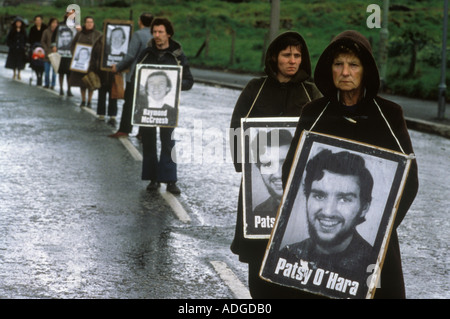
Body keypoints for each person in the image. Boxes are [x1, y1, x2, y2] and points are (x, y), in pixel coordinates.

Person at [282, 30, 419, 299]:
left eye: (353, 64)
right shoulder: (313, 113)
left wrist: (382, 228)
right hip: (315, 264)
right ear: (329, 69)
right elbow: (291, 172)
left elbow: (409, 181)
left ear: (365, 70)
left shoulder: (389, 115)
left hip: (375, 253)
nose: (345, 72)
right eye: (338, 64)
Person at [229, 31, 321, 298]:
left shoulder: (312, 92)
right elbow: (237, 129)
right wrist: (244, 166)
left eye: (297, 55)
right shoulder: (255, 89)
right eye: (286, 55)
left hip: (299, 192)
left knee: (297, 256)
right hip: (260, 190)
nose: (292, 61)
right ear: (274, 57)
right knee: (260, 260)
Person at [281, 149, 374, 286]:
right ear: (307, 199)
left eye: (344, 199)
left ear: (364, 208)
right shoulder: (287, 255)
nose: (328, 212)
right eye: (319, 196)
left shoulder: (373, 265)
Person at [137, 18, 194, 194]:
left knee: (168, 142)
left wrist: (177, 84)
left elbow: (189, 81)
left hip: (168, 108)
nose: (157, 35)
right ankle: (153, 179)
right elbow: (138, 78)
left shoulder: (177, 55)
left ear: (168, 33)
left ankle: (170, 180)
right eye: (154, 32)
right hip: (147, 107)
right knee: (148, 142)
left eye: (161, 32)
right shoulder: (146, 53)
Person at [110, 12, 153, 138]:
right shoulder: (155, 34)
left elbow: (130, 56)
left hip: (136, 74)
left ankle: (124, 129)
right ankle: (142, 132)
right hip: (150, 74)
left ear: (140, 21)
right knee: (146, 103)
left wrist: (117, 67)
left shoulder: (138, 34)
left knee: (129, 103)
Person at [69, 16, 102, 107]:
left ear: (93, 23)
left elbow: (101, 48)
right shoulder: (79, 34)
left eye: (91, 22)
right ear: (85, 23)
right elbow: (72, 45)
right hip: (81, 63)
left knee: (91, 81)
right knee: (82, 82)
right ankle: (83, 100)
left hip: (92, 63)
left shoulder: (98, 34)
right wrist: (75, 55)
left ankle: (89, 101)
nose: (89, 24)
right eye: (87, 22)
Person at [89, 34, 117, 124]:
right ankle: (102, 113)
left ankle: (112, 114)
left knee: (113, 94)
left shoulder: (115, 43)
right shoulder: (98, 42)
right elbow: (94, 57)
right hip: (101, 72)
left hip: (113, 73)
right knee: (102, 93)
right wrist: (92, 69)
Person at [54, 12, 76, 96]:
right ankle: (61, 89)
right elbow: (54, 36)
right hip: (61, 53)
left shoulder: (76, 25)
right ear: (66, 15)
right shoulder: (60, 25)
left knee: (69, 73)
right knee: (61, 72)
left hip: (71, 53)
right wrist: (54, 45)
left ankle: (69, 89)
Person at [5, 16, 28, 80]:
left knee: (20, 62)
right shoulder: (12, 31)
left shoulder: (23, 31)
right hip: (13, 49)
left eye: (19, 23)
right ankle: (14, 73)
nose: (18, 24)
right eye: (17, 23)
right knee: (13, 61)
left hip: (21, 49)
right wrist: (11, 45)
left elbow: (26, 39)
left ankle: (19, 73)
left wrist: (24, 46)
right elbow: (8, 39)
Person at [28, 15, 47, 86]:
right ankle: (37, 74)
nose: (38, 22)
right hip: (34, 46)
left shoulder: (45, 28)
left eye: (39, 20)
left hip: (43, 46)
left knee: (42, 61)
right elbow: (30, 39)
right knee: (34, 60)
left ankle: (41, 76)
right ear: (35, 21)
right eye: (36, 20)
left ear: (42, 21)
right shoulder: (32, 28)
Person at [41, 17, 58, 89]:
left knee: (54, 73)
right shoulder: (46, 31)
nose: (54, 24)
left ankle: (53, 84)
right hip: (47, 54)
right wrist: (46, 49)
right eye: (53, 23)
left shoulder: (59, 32)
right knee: (47, 72)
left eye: (56, 23)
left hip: (56, 54)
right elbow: (42, 41)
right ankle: (46, 83)